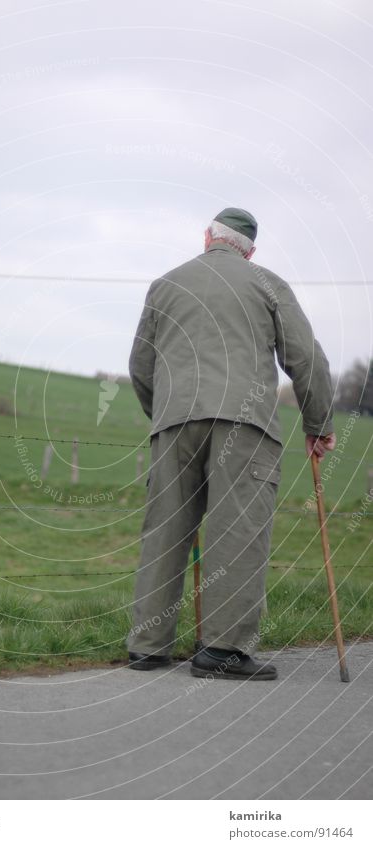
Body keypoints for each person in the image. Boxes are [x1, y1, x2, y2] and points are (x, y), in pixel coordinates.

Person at [127, 207, 335, 680]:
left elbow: (141, 366)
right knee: (236, 533)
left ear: (207, 237)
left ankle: (148, 647)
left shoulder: (165, 284)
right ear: (251, 250)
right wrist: (318, 423)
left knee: (164, 531)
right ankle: (221, 652)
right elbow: (306, 359)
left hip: (174, 423)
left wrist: (164, 416)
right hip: (245, 426)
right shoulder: (268, 284)